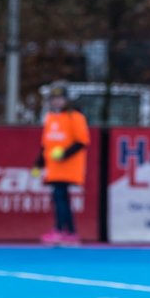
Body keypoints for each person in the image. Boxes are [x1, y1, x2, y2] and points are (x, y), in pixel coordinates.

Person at [33, 85, 89, 245]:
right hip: (54, 168)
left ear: (66, 100)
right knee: (60, 198)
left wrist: (64, 154)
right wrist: (38, 164)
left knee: (60, 197)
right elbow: (46, 145)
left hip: (68, 166)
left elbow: (81, 142)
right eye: (54, 99)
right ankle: (70, 232)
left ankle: (60, 230)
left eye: (60, 98)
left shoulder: (76, 117)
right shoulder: (50, 118)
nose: (57, 102)